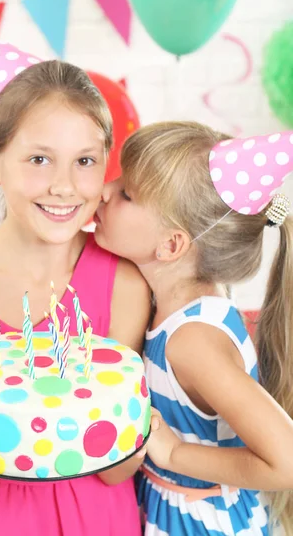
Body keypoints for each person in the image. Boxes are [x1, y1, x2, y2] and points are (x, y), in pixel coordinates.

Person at [0, 21, 150, 536]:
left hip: (94, 518)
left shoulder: (126, 285)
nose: (64, 187)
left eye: (85, 161)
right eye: (39, 159)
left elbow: (117, 466)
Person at [95, 120, 293, 535]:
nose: (104, 191)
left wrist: (175, 453)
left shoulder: (192, 341)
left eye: (126, 193)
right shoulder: (176, 310)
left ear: (171, 245)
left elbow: (287, 460)